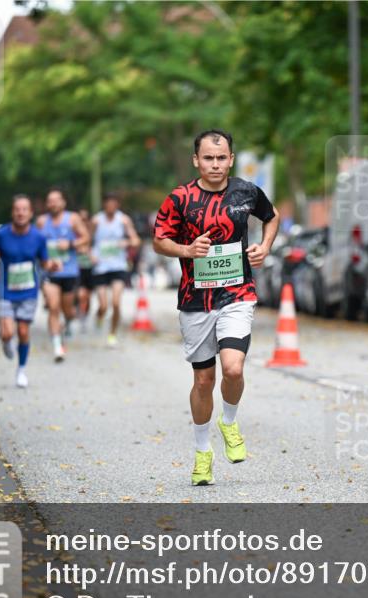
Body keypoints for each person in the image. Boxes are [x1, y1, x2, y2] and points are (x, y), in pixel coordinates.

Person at [153, 129, 279, 486]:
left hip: (237, 293)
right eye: (208, 158)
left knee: (233, 369)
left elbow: (272, 217)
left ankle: (230, 421)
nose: (215, 164)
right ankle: (202, 451)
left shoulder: (246, 192)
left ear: (231, 159)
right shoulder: (180, 199)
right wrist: (187, 250)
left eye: (221, 158)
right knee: (204, 380)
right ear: (196, 160)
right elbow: (159, 241)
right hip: (195, 301)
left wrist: (264, 246)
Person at [0, 195, 61, 388]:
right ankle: (5, 341)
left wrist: (53, 266)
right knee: (7, 333)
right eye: (17, 209)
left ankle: (21, 370)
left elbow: (44, 263)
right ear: (12, 212)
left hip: (28, 290)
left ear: (30, 213)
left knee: (23, 331)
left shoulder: (38, 237)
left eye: (24, 209)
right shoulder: (1, 235)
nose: (20, 213)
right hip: (5, 290)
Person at [36, 188, 90, 361]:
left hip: (69, 272)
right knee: (53, 307)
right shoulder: (41, 222)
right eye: (49, 200)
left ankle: (68, 322)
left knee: (68, 310)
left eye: (56, 200)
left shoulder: (72, 218)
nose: (53, 203)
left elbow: (86, 237)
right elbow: (35, 243)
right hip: (49, 272)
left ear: (63, 202)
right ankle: (57, 346)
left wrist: (71, 244)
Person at [90, 192, 140, 347]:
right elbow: (86, 240)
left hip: (118, 266)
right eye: (108, 203)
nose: (111, 206)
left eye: (114, 203)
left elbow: (136, 240)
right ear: (104, 204)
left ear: (117, 204)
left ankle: (112, 334)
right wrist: (91, 254)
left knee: (116, 303)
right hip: (101, 266)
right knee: (103, 305)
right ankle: (99, 316)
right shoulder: (96, 220)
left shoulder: (123, 220)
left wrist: (127, 242)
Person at [76, 206, 95, 332]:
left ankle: (85, 316)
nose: (83, 221)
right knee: (80, 294)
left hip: (90, 268)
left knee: (87, 296)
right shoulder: (73, 233)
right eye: (80, 219)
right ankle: (78, 315)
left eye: (85, 219)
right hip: (77, 268)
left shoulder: (92, 234)